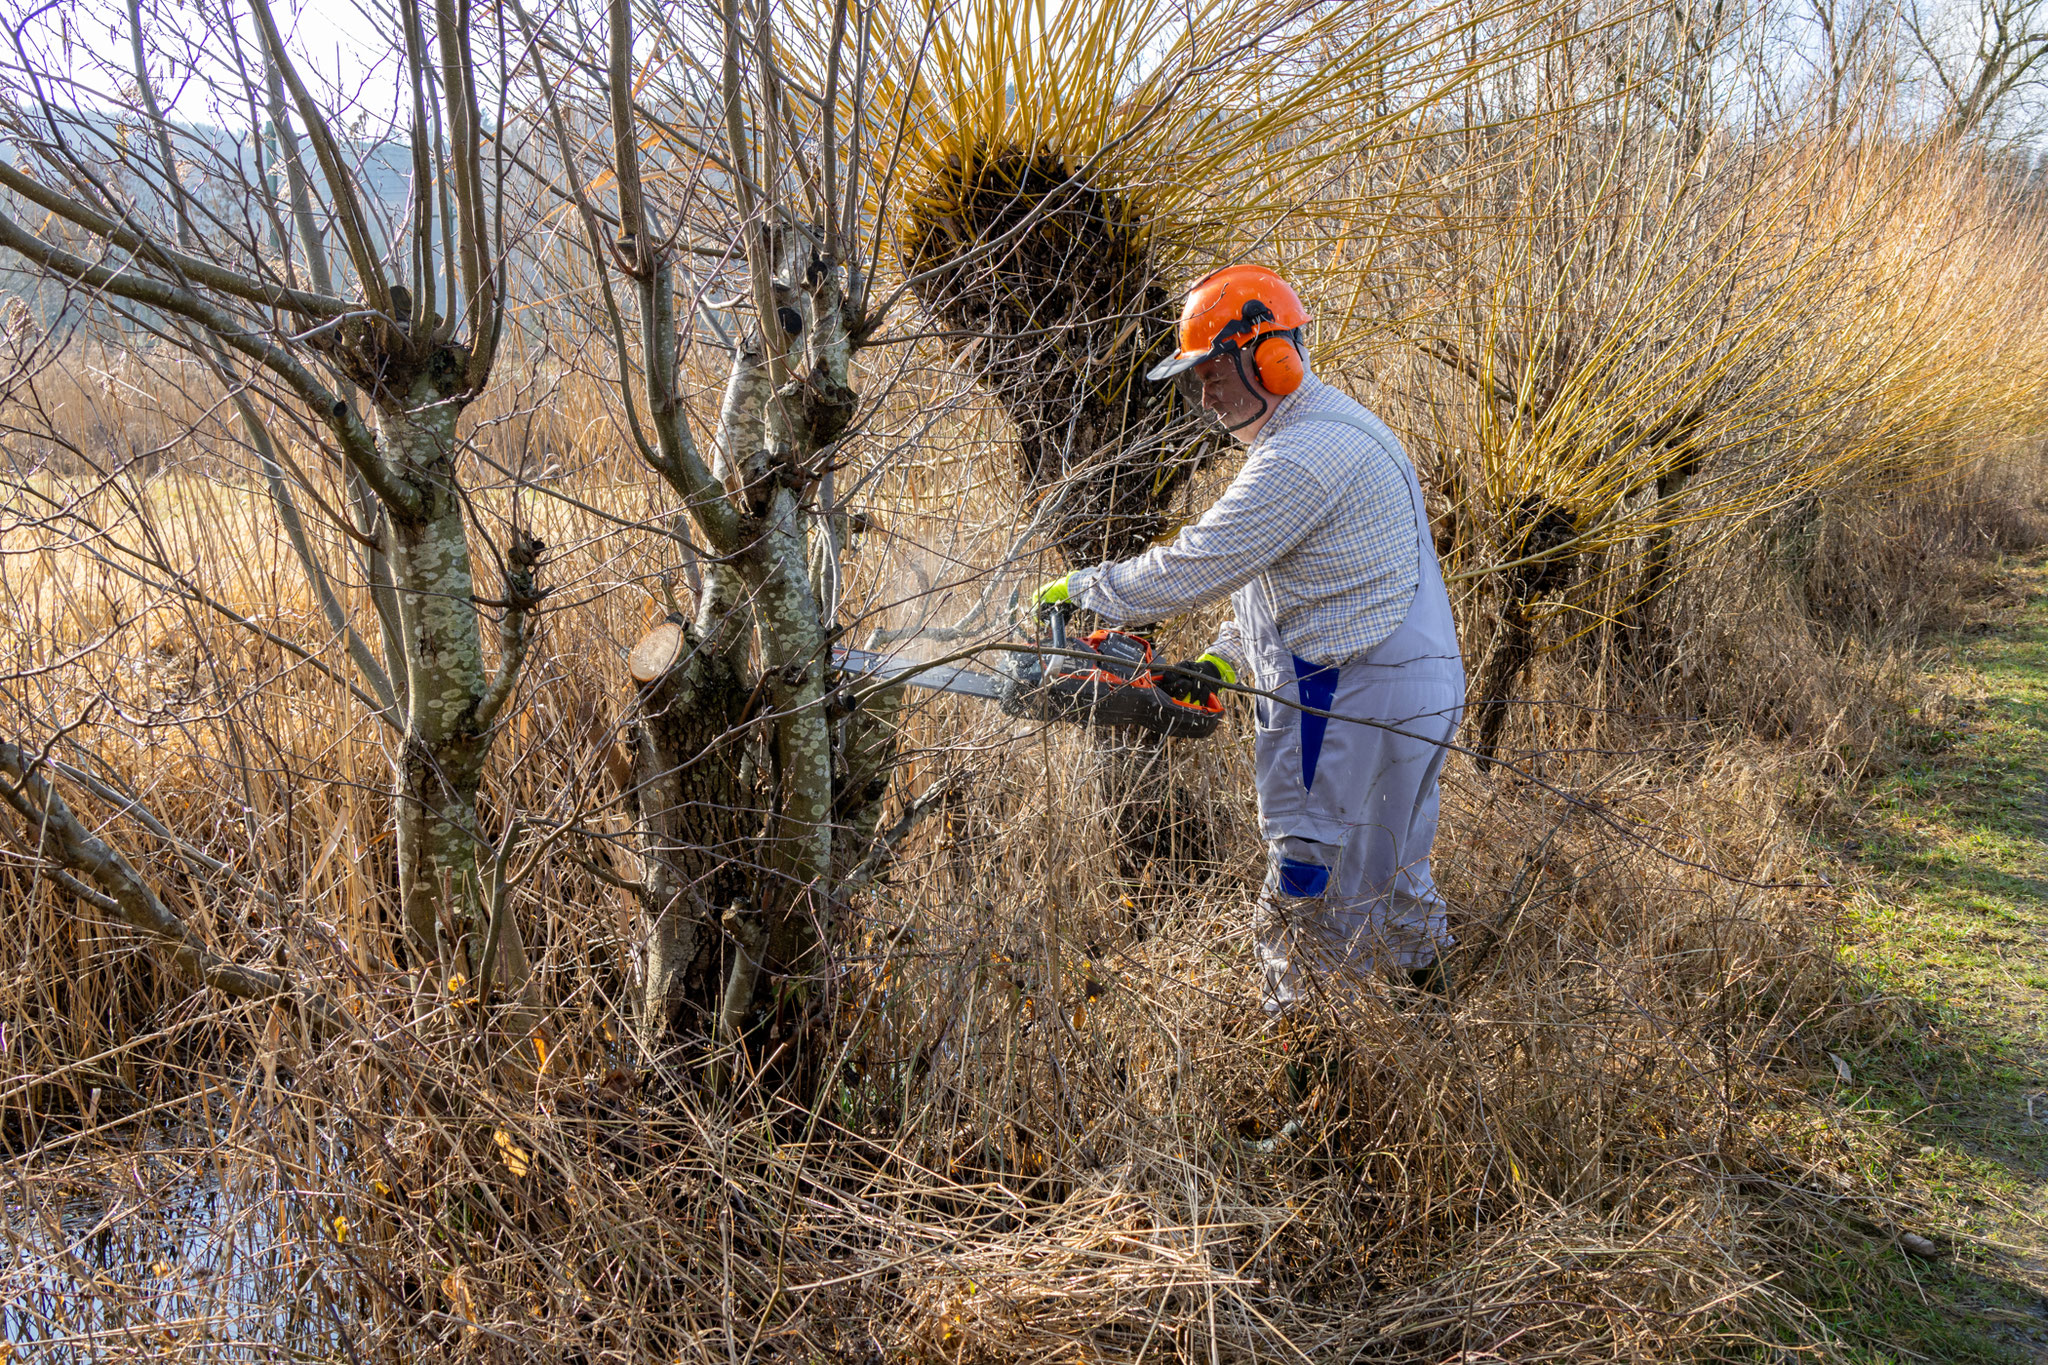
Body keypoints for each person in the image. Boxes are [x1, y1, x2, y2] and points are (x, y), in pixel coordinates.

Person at [1035, 264, 1466, 1011]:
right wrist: (1223, 657)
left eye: (1212, 371)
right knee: (1397, 875)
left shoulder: (1298, 456)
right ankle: (1444, 1024)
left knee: (1300, 899)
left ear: (1268, 357)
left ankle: (1307, 1094)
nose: (1203, 393)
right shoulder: (1348, 428)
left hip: (1349, 696)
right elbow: (1300, 578)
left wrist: (1082, 588)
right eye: (1195, 375)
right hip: (1418, 680)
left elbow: (1197, 563)